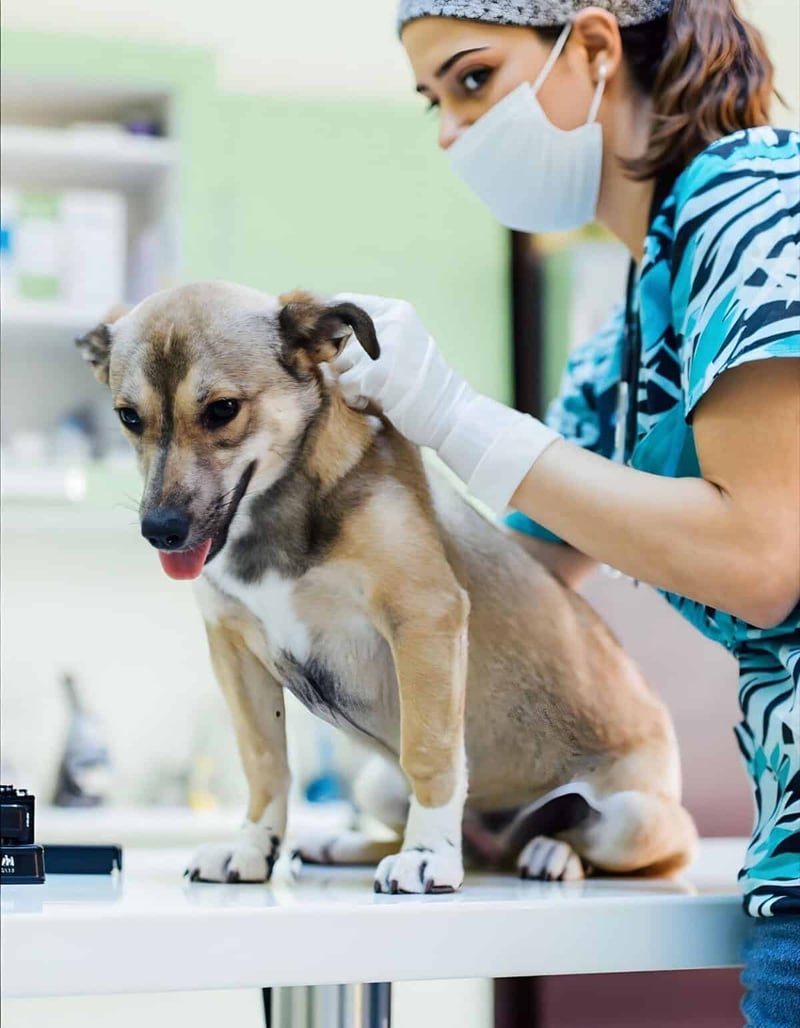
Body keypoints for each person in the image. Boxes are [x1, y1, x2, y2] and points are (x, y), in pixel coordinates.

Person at [331, 0, 799, 1022]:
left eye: (469, 80)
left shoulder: (758, 203)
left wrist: (454, 414)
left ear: (591, 48)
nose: (451, 133)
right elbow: (511, 594)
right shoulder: (625, 337)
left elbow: (764, 557)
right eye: (431, 105)